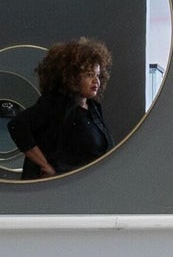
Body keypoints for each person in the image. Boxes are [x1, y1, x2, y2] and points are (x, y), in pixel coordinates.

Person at [12, 37, 113, 178]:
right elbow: (17, 126)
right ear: (72, 76)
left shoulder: (94, 107)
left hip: (88, 186)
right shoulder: (56, 104)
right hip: (58, 189)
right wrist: (45, 166)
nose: (96, 80)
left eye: (97, 75)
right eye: (89, 75)